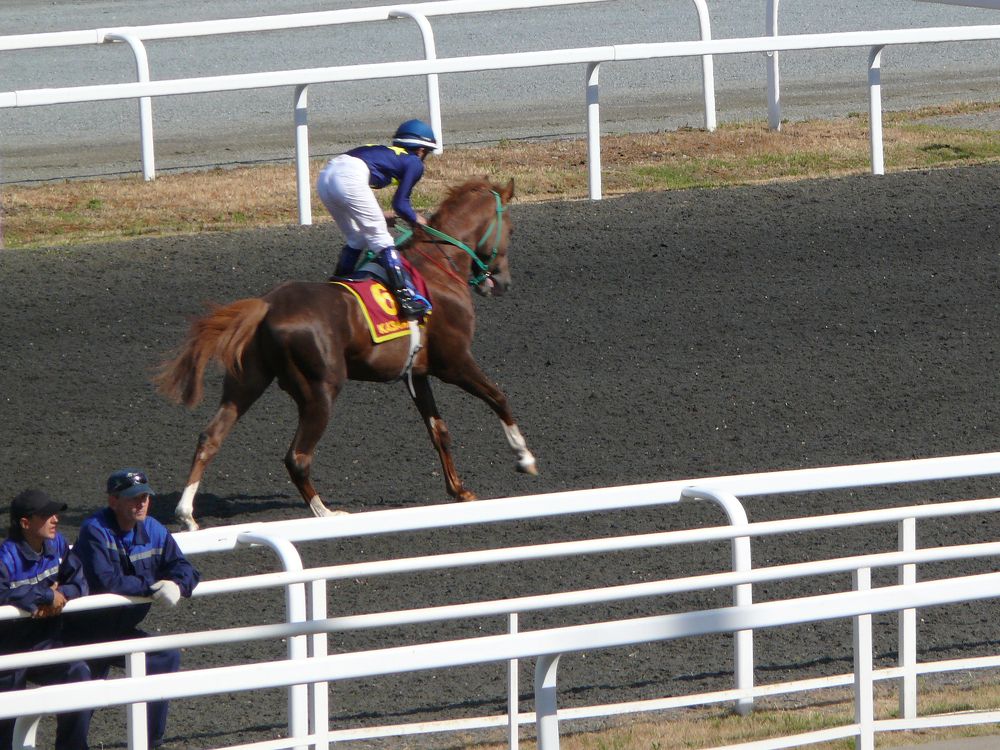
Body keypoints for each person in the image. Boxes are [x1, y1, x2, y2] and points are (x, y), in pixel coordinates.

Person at [66, 469, 199, 749]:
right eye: (132, 498)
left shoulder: (153, 529)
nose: (140, 504)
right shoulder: (94, 530)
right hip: (80, 632)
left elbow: (185, 568)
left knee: (164, 657)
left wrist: (178, 585)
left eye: (144, 497)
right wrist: (153, 587)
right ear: (113, 500)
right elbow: (108, 581)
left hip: (118, 630)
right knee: (81, 693)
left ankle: (151, 742)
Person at [316, 118, 438, 320]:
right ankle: (405, 299)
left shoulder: (388, 153)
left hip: (326, 177)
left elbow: (350, 186)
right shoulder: (414, 162)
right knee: (382, 239)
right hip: (349, 177)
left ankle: (337, 286)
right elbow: (400, 203)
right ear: (421, 150)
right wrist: (418, 221)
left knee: (357, 238)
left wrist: (380, 215)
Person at [0, 489, 92, 750]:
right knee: (4, 722)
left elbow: (80, 582)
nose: (55, 519)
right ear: (25, 523)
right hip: (5, 651)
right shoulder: (4, 557)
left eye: (54, 513)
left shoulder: (58, 544)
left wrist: (60, 594)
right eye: (46, 515)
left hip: (44, 644)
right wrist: (42, 596)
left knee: (79, 675)